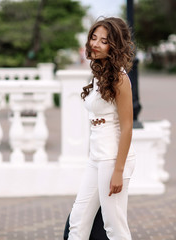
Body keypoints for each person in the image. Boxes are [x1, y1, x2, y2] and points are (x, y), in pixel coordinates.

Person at [67, 17, 137, 240]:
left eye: (103, 41)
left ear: (114, 46)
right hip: (96, 158)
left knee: (115, 228)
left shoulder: (119, 78)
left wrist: (118, 171)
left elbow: (127, 128)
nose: (95, 44)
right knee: (78, 221)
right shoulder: (99, 73)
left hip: (112, 159)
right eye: (93, 38)